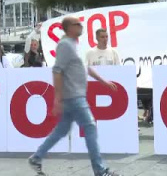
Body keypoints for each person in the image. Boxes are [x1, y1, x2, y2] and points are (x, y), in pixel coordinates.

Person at [28, 17, 120, 176]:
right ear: (69, 28)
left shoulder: (72, 45)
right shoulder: (65, 46)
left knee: (61, 131)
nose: (81, 26)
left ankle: (37, 157)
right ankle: (100, 170)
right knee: (90, 126)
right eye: (77, 24)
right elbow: (57, 70)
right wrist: (57, 97)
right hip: (74, 96)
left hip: (73, 96)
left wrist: (103, 81)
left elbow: (85, 68)